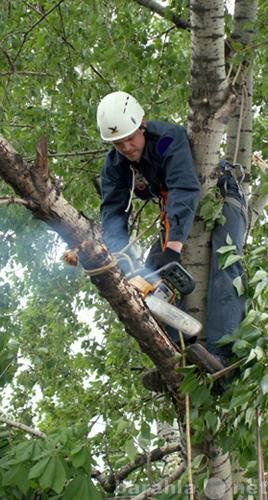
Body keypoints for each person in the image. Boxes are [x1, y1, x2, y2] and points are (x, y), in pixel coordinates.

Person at [97, 91, 247, 378]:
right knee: (147, 280)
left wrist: (174, 247)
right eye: (118, 143)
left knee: (227, 262)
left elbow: (183, 188)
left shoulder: (167, 139)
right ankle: (175, 357)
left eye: (130, 138)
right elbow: (113, 214)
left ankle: (223, 356)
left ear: (142, 124)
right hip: (177, 211)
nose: (126, 147)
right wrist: (120, 262)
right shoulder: (115, 166)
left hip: (220, 198)